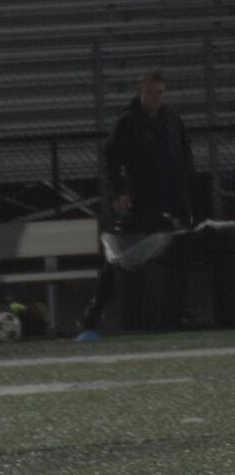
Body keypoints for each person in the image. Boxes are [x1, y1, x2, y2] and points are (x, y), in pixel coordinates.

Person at [77, 69, 195, 338]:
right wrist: (119, 192)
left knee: (175, 258)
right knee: (118, 258)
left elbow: (184, 158)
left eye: (159, 92)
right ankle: (93, 315)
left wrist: (186, 197)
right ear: (140, 90)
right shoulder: (128, 123)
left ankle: (172, 315)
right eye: (150, 91)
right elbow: (110, 160)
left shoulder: (172, 119)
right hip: (140, 204)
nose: (155, 97)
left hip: (171, 204)